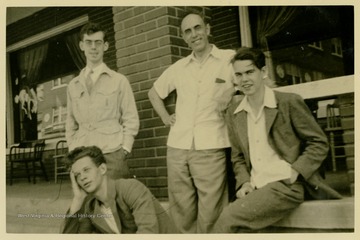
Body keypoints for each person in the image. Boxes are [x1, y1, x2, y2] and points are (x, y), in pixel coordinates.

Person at [212, 47, 342, 233]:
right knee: (242, 230)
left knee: (228, 217)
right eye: (239, 75)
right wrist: (245, 182)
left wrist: (296, 170)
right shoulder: (235, 114)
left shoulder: (288, 102)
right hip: (257, 187)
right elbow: (238, 157)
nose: (244, 79)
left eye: (250, 72)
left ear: (263, 72)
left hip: (286, 184)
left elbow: (319, 142)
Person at [148, 9, 235, 233]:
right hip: (178, 145)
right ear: (184, 37)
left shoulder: (229, 59)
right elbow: (154, 93)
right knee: (180, 212)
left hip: (211, 144)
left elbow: (257, 81)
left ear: (207, 29)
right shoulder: (179, 68)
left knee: (212, 211)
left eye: (197, 28)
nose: (194, 34)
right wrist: (165, 117)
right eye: (187, 31)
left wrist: (233, 96)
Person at [66, 22, 139, 179]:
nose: (93, 47)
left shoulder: (119, 81)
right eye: (89, 42)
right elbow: (70, 123)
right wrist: (72, 148)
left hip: (112, 154)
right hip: (82, 156)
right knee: (88, 202)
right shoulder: (73, 85)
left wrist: (124, 149)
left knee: (114, 200)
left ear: (105, 46)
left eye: (98, 42)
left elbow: (131, 118)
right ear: (81, 45)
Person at [61, 146, 177, 233]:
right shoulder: (91, 207)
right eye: (77, 175)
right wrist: (78, 199)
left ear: (102, 169)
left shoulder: (130, 188)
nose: (82, 177)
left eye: (86, 170)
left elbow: (148, 232)